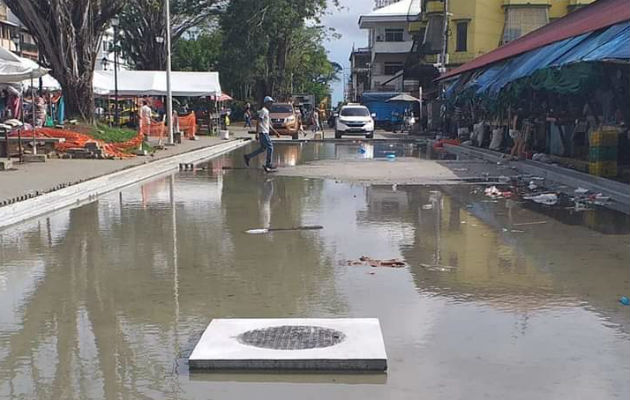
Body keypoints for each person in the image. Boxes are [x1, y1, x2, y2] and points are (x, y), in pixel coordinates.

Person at [243, 96, 281, 172]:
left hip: (264, 132)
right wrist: (257, 133)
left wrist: (275, 132)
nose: (271, 104)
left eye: (271, 102)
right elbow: (258, 121)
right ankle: (268, 164)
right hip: (263, 132)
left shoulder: (266, 111)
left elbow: (268, 124)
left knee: (263, 148)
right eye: (270, 102)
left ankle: (248, 156)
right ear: (266, 103)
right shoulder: (264, 111)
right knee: (270, 147)